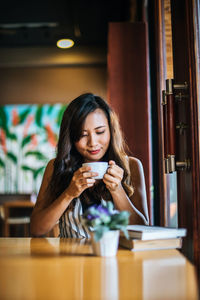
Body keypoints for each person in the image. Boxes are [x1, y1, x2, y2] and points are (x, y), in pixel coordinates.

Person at [30, 93, 149, 237]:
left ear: (111, 131)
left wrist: (117, 190)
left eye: (100, 132)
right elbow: (36, 229)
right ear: (71, 137)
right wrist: (69, 194)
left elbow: (143, 230)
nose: (93, 142)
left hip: (117, 258)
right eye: (83, 134)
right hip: (71, 258)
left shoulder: (132, 166)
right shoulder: (56, 167)